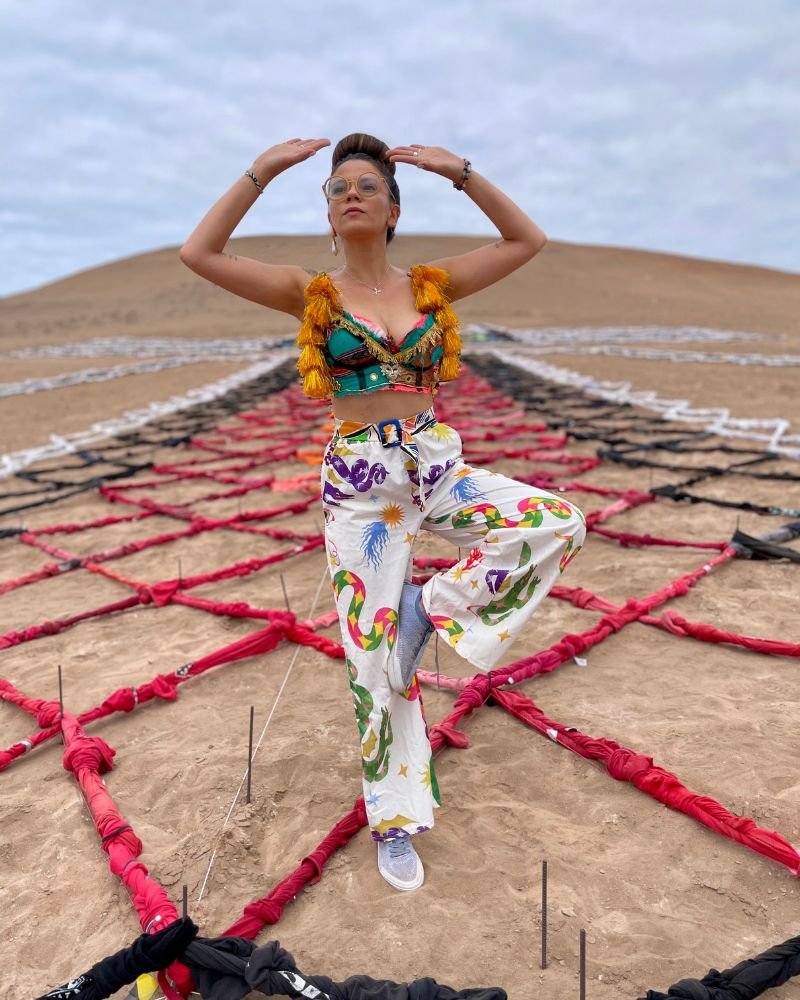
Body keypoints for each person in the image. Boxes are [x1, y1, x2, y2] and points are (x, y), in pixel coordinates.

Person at [180, 133, 586, 893]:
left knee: (554, 520)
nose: (352, 195)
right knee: (372, 661)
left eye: (368, 185)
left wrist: (461, 173)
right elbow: (198, 254)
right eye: (338, 189)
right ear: (328, 213)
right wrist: (262, 172)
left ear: (393, 209)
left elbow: (526, 240)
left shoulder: (431, 286)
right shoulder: (310, 292)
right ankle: (396, 819)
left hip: (434, 464)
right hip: (362, 487)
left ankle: (428, 607)